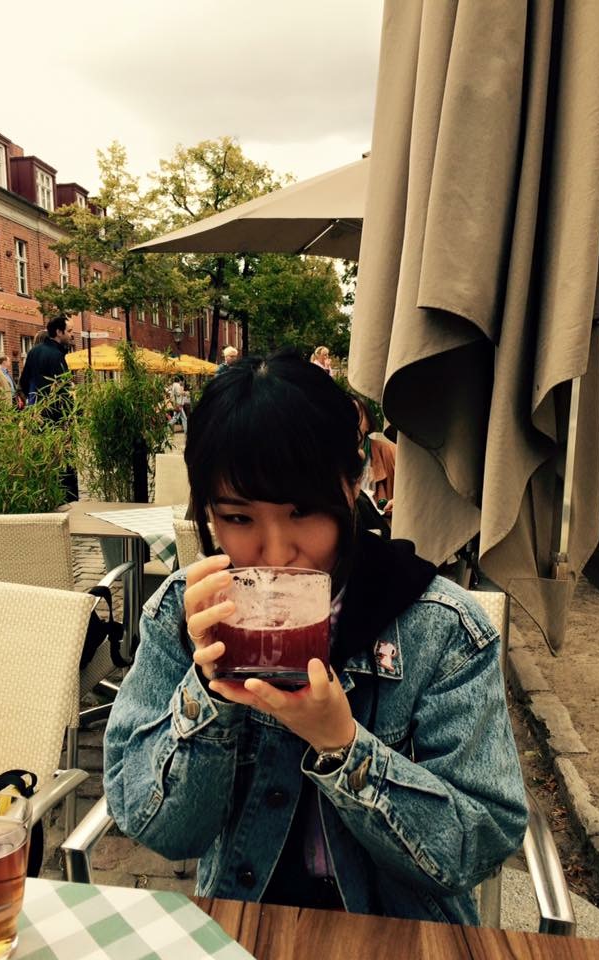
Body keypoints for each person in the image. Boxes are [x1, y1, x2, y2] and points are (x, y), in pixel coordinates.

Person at [104, 352, 527, 925]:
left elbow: (479, 843)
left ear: (353, 487)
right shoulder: (185, 615)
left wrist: (342, 744)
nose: (277, 551)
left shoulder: (441, 629)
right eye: (239, 518)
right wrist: (207, 693)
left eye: (302, 511)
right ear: (208, 513)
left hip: (399, 932)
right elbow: (158, 829)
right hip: (246, 920)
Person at [19, 315, 77, 500]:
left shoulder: (33, 352)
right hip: (56, 419)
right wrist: (70, 416)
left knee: (42, 461)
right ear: (59, 332)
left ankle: (43, 495)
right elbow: (63, 390)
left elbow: (23, 382)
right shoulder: (57, 356)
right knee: (62, 465)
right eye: (69, 331)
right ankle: (64, 497)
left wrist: (35, 404)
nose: (72, 335)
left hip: (37, 416)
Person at [352, 394, 396, 517]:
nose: (351, 421)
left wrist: (399, 503)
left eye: (356, 415)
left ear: (368, 423)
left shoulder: (390, 453)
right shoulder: (329, 458)